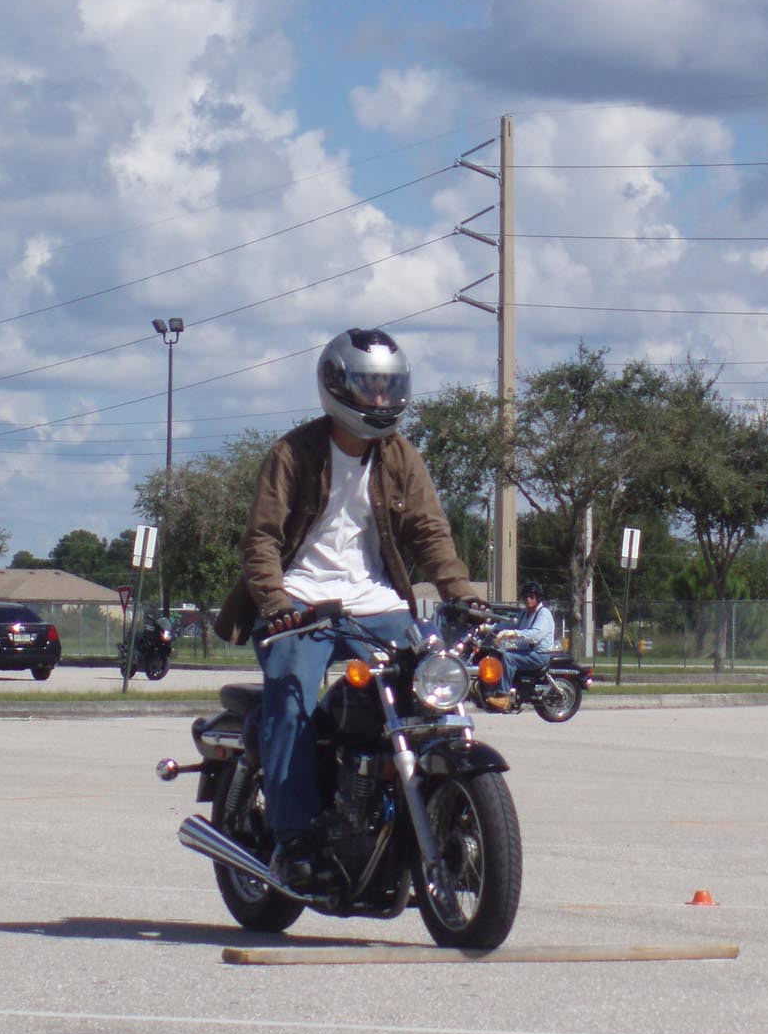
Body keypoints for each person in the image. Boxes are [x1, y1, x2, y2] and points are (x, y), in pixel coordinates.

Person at [214, 326, 478, 889]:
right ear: (336, 385)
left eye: (389, 386)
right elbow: (261, 541)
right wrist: (276, 603)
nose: (380, 398)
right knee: (291, 701)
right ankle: (294, 837)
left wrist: (462, 594)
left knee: (431, 689)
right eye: (368, 385)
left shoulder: (400, 455)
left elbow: (430, 532)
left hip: (376, 604)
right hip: (301, 602)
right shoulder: (293, 453)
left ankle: (422, 808)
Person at [487, 580, 556, 711]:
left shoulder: (543, 614)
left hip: (539, 654)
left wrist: (513, 633)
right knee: (498, 652)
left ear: (538, 597)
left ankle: (504, 697)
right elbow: (509, 624)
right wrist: (489, 628)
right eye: (525, 597)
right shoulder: (525, 613)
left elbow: (535, 635)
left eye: (531, 596)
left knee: (509, 658)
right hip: (527, 652)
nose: (528, 599)